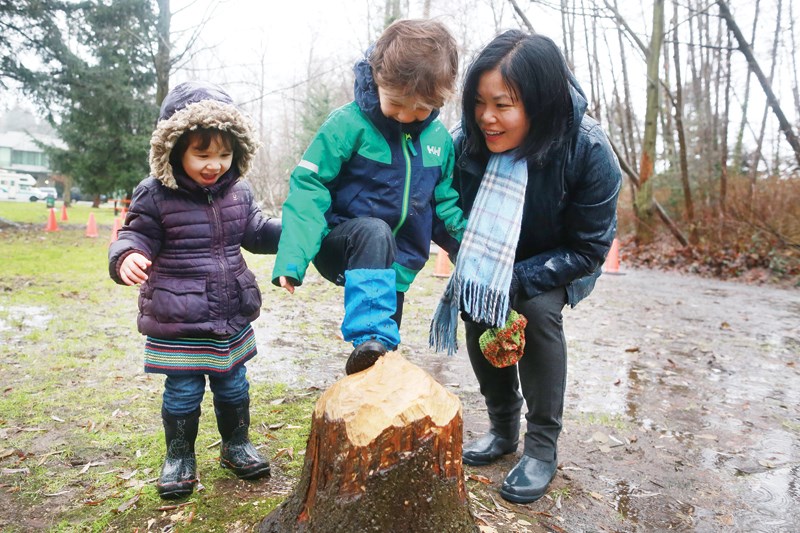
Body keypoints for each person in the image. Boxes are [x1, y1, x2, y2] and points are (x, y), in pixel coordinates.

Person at [430, 31, 621, 504]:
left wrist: (515, 279)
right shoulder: (465, 144)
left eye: (503, 105)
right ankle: (501, 427)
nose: (487, 118)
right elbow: (437, 208)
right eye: (479, 103)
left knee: (534, 311)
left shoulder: (589, 151)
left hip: (558, 258)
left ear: (540, 103)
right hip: (489, 251)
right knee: (478, 304)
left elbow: (588, 248)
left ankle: (540, 447)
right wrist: (476, 261)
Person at [108, 81, 281, 500]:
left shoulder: (239, 191)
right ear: (175, 148)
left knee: (234, 385)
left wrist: (291, 232)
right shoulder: (154, 193)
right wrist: (126, 256)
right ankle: (179, 455)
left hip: (228, 313)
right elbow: (135, 235)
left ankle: (235, 445)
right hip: (178, 315)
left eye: (224, 155)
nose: (214, 165)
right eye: (202, 154)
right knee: (183, 391)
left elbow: (255, 233)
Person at [272, 19, 466, 375]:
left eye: (420, 109)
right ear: (377, 76)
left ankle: (372, 373)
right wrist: (292, 259)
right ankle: (370, 337)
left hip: (397, 265)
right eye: (397, 103)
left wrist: (469, 248)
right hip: (342, 244)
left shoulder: (439, 141)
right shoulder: (348, 125)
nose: (407, 117)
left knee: (381, 351)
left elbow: (443, 206)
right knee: (375, 235)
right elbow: (308, 189)